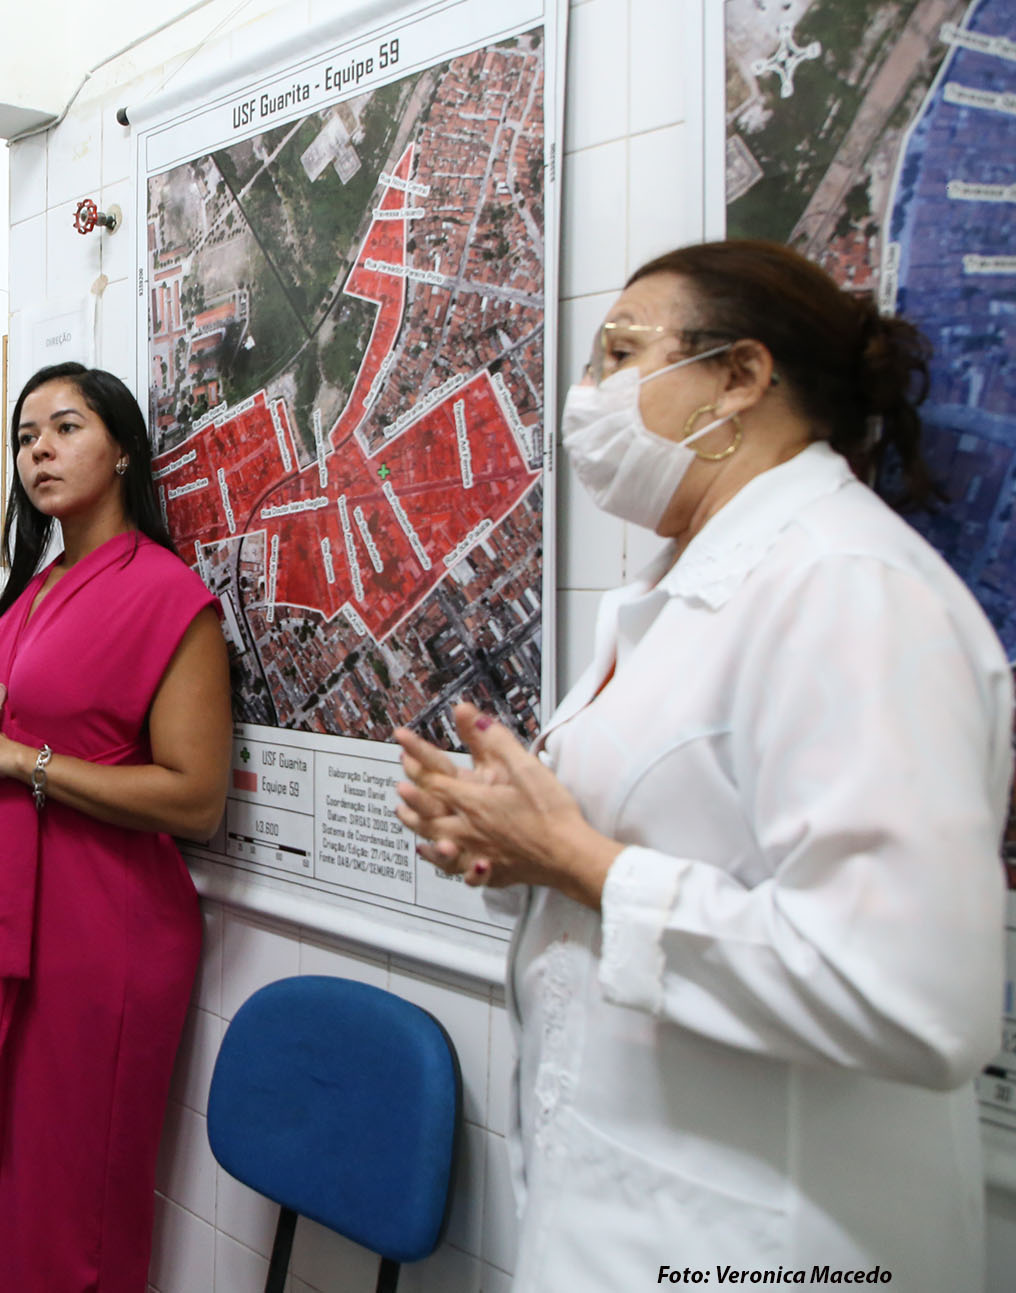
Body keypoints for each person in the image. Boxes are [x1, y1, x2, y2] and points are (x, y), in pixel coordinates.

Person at [394, 239, 1011, 1289]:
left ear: (740, 375)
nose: (587, 395)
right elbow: (655, 848)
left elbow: (911, 998)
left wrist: (580, 862)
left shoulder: (848, 587)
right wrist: (511, 841)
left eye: (620, 353)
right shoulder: (692, 587)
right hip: (627, 1217)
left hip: (772, 1243)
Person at [0, 363, 231, 1291]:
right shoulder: (32, 590)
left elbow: (196, 799)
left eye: (65, 427)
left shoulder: (169, 597)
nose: (38, 450)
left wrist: (18, 760)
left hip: (100, 931)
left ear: (122, 449)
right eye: (24, 436)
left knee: (66, 1197)